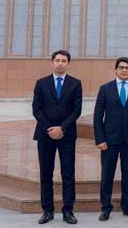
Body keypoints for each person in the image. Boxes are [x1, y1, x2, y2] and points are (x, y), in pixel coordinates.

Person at [93, 57, 128, 221]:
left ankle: (127, 206)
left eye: (127, 68)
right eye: (121, 67)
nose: (124, 70)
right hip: (109, 140)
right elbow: (98, 116)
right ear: (116, 70)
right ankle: (105, 207)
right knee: (107, 174)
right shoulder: (105, 89)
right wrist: (100, 139)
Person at [32, 50, 82, 225]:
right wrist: (50, 129)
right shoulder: (41, 83)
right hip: (45, 135)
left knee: (68, 174)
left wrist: (62, 128)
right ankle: (47, 210)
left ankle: (68, 210)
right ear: (52, 62)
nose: (60, 63)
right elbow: (36, 109)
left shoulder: (75, 84)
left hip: (67, 136)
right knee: (46, 174)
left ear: (68, 63)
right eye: (57, 60)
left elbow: (76, 110)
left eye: (64, 60)